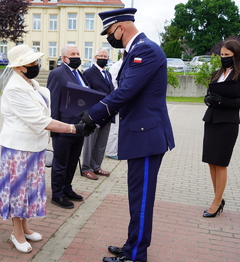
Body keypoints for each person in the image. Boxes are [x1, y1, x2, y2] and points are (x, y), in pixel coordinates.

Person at [80, 8, 175, 262]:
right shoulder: (136, 50)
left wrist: (93, 115)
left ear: (121, 27)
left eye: (110, 32)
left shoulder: (144, 50)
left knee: (141, 199)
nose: (110, 38)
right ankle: (132, 245)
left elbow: (125, 93)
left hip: (146, 137)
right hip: (142, 136)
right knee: (137, 197)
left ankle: (135, 256)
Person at [0, 44, 91, 254]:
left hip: (34, 146)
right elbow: (39, 120)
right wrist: (73, 128)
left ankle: (24, 226)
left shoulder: (30, 83)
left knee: (30, 189)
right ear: (18, 66)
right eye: (30, 62)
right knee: (18, 192)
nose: (35, 65)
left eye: (35, 61)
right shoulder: (15, 89)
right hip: (18, 149)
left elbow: (49, 102)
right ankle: (16, 232)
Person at [202, 39, 240, 218]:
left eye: (227, 55)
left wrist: (221, 100)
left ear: (236, 56)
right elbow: (209, 93)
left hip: (228, 124)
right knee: (211, 161)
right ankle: (218, 197)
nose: (224, 58)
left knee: (221, 163)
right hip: (211, 121)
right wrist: (209, 99)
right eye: (222, 55)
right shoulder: (217, 73)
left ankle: (216, 202)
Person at [47, 44, 90, 209]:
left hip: (80, 126)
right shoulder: (57, 73)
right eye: (73, 53)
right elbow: (53, 101)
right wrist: (54, 128)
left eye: (78, 53)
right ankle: (57, 195)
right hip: (63, 127)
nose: (77, 56)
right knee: (61, 162)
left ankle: (67, 188)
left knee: (73, 161)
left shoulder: (79, 73)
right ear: (64, 58)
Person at [81, 47, 114, 180]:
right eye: (101, 56)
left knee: (101, 143)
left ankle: (96, 166)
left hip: (107, 113)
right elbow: (87, 93)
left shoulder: (108, 74)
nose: (104, 59)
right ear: (95, 57)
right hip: (94, 113)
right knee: (90, 142)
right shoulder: (88, 73)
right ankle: (86, 168)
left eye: (106, 57)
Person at [105, 51, 124, 160]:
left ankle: (116, 149)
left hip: (121, 101)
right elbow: (112, 85)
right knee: (114, 128)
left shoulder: (124, 65)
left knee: (119, 128)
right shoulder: (116, 67)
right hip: (116, 100)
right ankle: (110, 151)